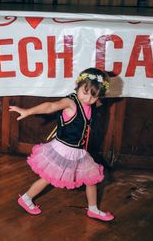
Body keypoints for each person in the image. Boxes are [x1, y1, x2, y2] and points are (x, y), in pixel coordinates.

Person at [9, 67, 114, 222]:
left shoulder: (92, 103)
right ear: (77, 87)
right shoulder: (70, 103)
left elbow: (94, 102)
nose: (88, 99)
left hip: (79, 152)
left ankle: (93, 209)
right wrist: (28, 111)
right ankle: (25, 198)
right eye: (85, 93)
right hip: (62, 150)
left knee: (92, 178)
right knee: (48, 178)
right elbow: (50, 106)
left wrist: (96, 98)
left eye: (93, 96)